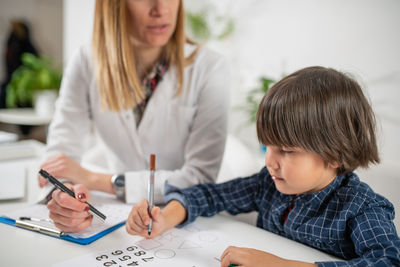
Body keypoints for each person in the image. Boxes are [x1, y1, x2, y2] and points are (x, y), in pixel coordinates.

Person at [126, 66, 400, 266]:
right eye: (266, 146)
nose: (269, 160)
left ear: (334, 154)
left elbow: (386, 262)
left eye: (286, 150)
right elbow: (210, 195)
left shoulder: (362, 207)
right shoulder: (267, 183)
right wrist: (165, 218)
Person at [39, 0, 230, 233]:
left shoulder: (210, 68)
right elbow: (61, 152)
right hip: (115, 219)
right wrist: (66, 195)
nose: (160, 9)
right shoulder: (86, 61)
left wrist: (95, 179)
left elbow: (200, 178)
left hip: (187, 220)